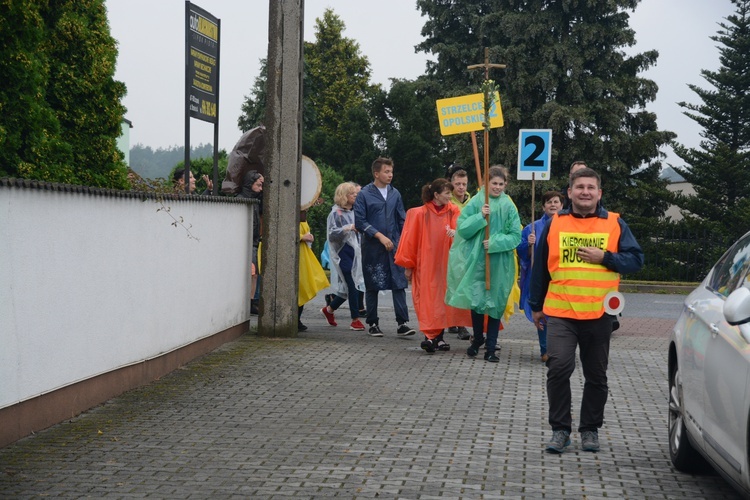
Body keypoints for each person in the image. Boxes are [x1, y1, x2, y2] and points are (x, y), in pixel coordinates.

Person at [528, 167, 643, 454]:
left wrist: (605, 257)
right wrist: (536, 306)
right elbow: (540, 265)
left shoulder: (615, 224)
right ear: (569, 192)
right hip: (561, 311)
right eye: (579, 187)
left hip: (599, 314)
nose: (585, 192)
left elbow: (636, 260)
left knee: (596, 376)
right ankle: (560, 430)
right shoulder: (556, 223)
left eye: (591, 187)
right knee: (559, 369)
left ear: (599, 193)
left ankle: (590, 429)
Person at [446, 166, 521, 362]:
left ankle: (490, 347)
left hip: (500, 262)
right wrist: (480, 216)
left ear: (505, 184)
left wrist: (495, 242)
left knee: (496, 303)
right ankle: (477, 338)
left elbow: (515, 235)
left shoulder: (509, 205)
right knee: (477, 301)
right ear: (485, 183)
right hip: (477, 260)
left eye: (500, 184)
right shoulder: (477, 201)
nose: (497, 187)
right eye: (494, 183)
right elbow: (462, 227)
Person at [395, 179, 472, 353]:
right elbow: (410, 241)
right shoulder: (419, 214)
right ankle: (430, 337)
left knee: (443, 300)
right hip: (426, 264)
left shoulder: (453, 211)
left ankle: (438, 338)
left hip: (447, 264)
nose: (450, 196)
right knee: (428, 300)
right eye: (447, 193)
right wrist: (409, 264)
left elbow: (462, 233)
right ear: (436, 195)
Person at [354, 157, 415, 338]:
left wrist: (404, 239)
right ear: (376, 173)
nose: (390, 175)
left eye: (391, 171)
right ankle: (373, 323)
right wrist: (379, 236)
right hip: (373, 247)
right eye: (386, 172)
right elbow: (359, 221)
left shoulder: (395, 193)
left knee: (399, 282)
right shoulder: (364, 194)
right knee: (373, 284)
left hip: (395, 246)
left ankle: (402, 323)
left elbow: (401, 218)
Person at [517, 190, 563, 362]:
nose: (553, 205)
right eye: (549, 202)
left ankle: (558, 349)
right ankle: (545, 350)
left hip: (560, 278)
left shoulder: (567, 226)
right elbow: (522, 253)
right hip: (541, 278)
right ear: (543, 206)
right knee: (543, 314)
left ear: (562, 205)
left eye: (556, 202)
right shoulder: (532, 228)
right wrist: (529, 245)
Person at [321, 182, 366, 331]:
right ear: (344, 196)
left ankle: (329, 310)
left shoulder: (356, 211)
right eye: (353, 194)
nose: (356, 196)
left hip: (355, 253)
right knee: (352, 285)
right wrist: (348, 228)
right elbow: (332, 235)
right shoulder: (335, 213)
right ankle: (355, 319)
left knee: (347, 289)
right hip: (343, 254)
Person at [446, 167, 472, 340]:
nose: (461, 187)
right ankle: (454, 321)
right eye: (457, 184)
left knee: (464, 286)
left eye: (464, 184)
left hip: (468, 249)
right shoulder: (448, 202)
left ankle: (461, 322)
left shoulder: (474, 202)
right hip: (450, 249)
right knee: (452, 285)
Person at [297, 211, 330, 331]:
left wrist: (307, 237)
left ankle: (297, 319)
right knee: (300, 287)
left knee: (303, 286)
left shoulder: (302, 215)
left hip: (304, 256)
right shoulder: (294, 213)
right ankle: (295, 320)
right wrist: (301, 237)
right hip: (298, 256)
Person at [237, 170, 264, 314]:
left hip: (253, 243)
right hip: (246, 243)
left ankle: (251, 301)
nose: (261, 189)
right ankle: (250, 302)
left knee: (254, 274)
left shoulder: (254, 200)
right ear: (250, 183)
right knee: (252, 274)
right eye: (259, 185)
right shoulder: (242, 200)